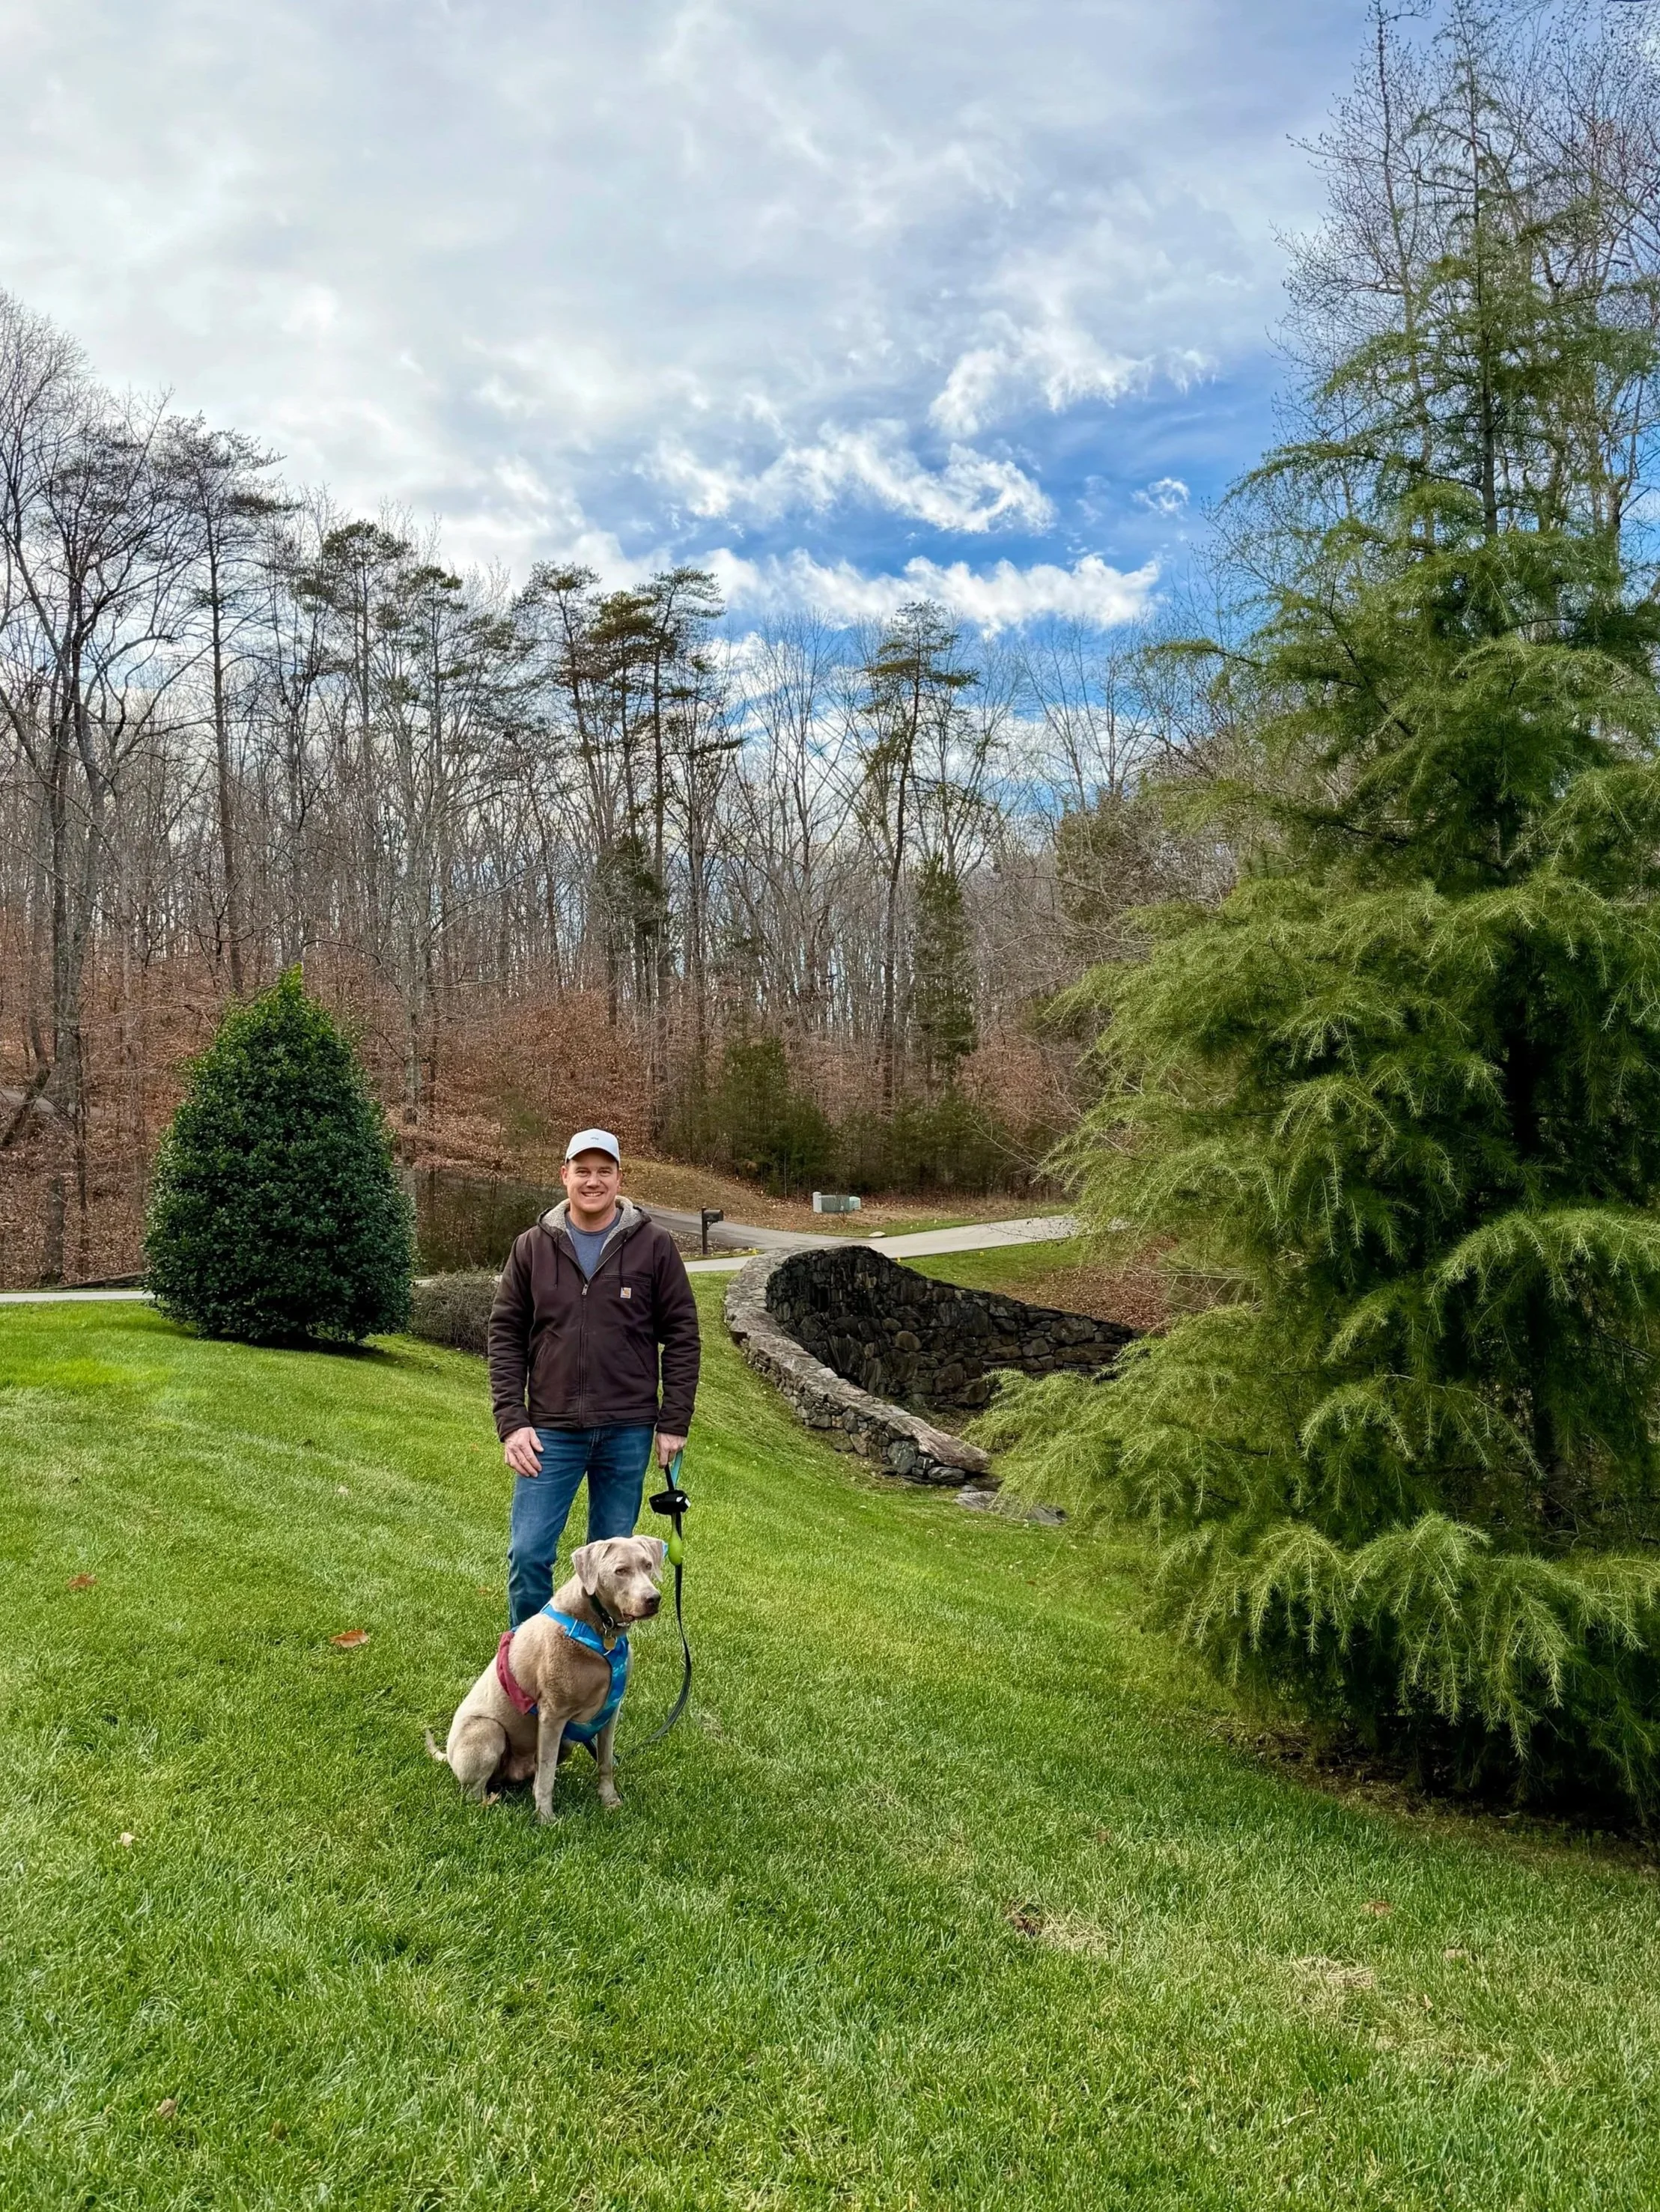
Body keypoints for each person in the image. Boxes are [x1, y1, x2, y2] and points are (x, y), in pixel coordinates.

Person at [487, 1128, 701, 1626]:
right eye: (582, 1169)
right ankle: (527, 1658)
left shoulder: (654, 1246)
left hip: (625, 1431)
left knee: (616, 1573)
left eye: (604, 1170)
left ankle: (600, 1662)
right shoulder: (531, 1248)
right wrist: (511, 1421)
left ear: (619, 1177)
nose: (592, 1180)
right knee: (528, 1555)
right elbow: (505, 1337)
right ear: (564, 1175)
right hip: (550, 1433)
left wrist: (674, 1420)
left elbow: (683, 1336)